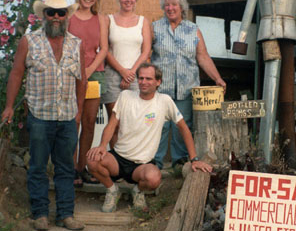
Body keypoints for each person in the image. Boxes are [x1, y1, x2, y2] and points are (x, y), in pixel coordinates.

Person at [1, 0, 86, 231]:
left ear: (66, 15)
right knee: (38, 166)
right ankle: (40, 214)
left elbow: (82, 80)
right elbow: (17, 73)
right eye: (51, 13)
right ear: (44, 15)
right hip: (39, 115)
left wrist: (79, 112)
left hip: (67, 116)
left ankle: (66, 214)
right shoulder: (30, 41)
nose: (56, 17)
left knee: (65, 168)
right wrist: (9, 106)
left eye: (60, 13)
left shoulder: (76, 45)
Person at [86, 63, 213, 213]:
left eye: (148, 79)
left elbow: (184, 128)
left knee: (154, 179)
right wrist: (102, 146)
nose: (143, 82)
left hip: (142, 165)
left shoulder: (164, 101)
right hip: (118, 159)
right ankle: (112, 190)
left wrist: (194, 159)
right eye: (140, 78)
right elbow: (112, 124)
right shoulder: (125, 96)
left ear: (158, 82)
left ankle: (138, 191)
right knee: (92, 160)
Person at [151, 0, 225, 169]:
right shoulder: (154, 28)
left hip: (186, 88)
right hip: (161, 89)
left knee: (181, 127)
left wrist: (218, 78)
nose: (170, 8)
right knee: (159, 126)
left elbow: (203, 57)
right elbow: (145, 53)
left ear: (181, 7)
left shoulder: (193, 30)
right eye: (167, 5)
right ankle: (154, 163)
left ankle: (180, 163)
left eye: (174, 4)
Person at [67, 0, 109, 185]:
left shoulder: (100, 18)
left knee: (89, 122)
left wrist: (91, 68)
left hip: (94, 74)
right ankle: (70, 168)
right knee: (73, 121)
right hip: (71, 75)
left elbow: (104, 49)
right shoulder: (69, 15)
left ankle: (82, 167)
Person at [102, 0, 152, 147]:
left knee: (134, 123)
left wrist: (131, 74)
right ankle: (116, 164)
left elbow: (146, 51)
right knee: (114, 124)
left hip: (137, 77)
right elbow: (105, 50)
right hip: (113, 76)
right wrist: (123, 71)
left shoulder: (143, 21)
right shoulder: (108, 20)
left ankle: (133, 163)